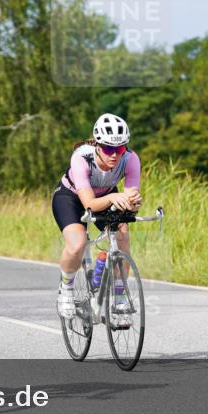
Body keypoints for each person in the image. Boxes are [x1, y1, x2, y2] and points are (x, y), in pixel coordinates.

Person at [52, 114, 142, 326]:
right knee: (78, 243)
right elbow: (89, 203)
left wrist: (134, 201)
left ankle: (119, 299)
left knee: (122, 236)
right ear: (97, 146)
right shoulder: (81, 158)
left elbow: (130, 197)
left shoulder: (131, 159)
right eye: (109, 149)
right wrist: (113, 197)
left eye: (120, 149)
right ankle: (66, 288)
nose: (115, 155)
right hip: (72, 197)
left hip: (107, 195)